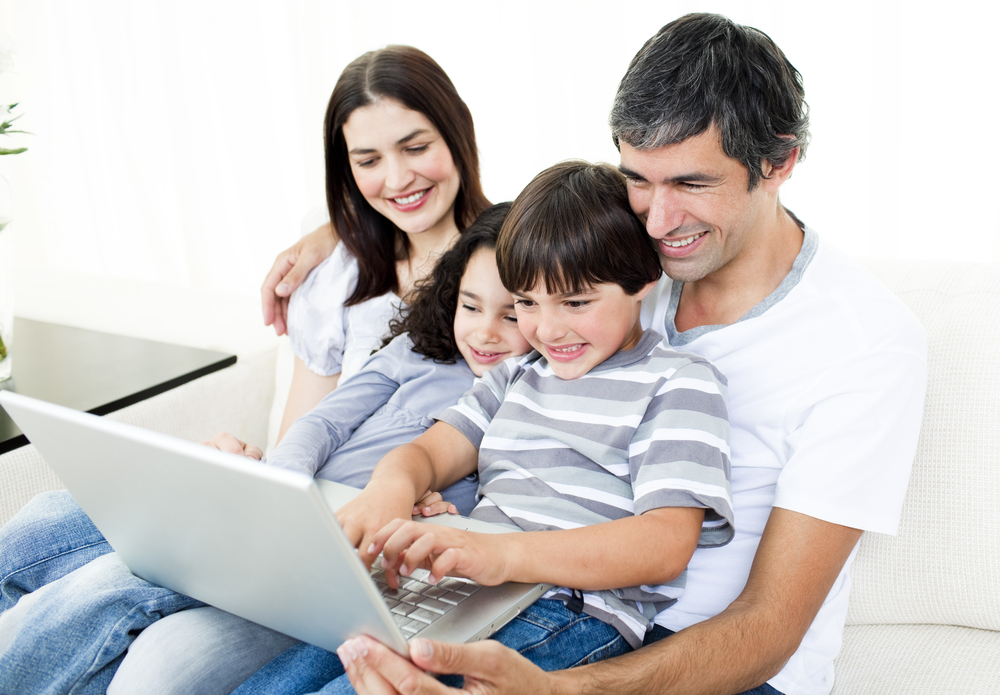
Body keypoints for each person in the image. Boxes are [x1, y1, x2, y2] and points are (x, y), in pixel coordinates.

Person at [269, 14, 927, 695]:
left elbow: (767, 626)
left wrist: (562, 688)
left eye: (692, 184)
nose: (658, 219)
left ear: (780, 161)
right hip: (507, 591)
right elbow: (504, 238)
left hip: (695, 662)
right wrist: (338, 234)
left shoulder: (866, 342)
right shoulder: (605, 269)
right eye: (638, 178)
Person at [0, 43, 489, 620]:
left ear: (457, 133)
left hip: (369, 525)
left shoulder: (513, 275)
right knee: (35, 528)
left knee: (96, 596)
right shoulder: (336, 273)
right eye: (368, 160)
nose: (397, 178)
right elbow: (301, 432)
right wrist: (244, 473)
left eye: (416, 147)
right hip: (293, 505)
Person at [233, 160, 734, 695]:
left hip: (570, 610)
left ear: (643, 281)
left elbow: (663, 545)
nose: (547, 328)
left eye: (576, 302)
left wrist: (500, 554)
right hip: (463, 590)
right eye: (527, 304)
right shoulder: (517, 374)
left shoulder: (680, 382)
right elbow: (424, 455)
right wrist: (389, 491)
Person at [0, 204, 533, 695]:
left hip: (347, 558)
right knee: (47, 530)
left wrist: (430, 507)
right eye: (470, 305)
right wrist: (277, 483)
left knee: (116, 595)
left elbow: (481, 507)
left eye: (511, 315)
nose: (485, 332)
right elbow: (323, 422)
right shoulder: (417, 354)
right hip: (282, 504)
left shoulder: (529, 401)